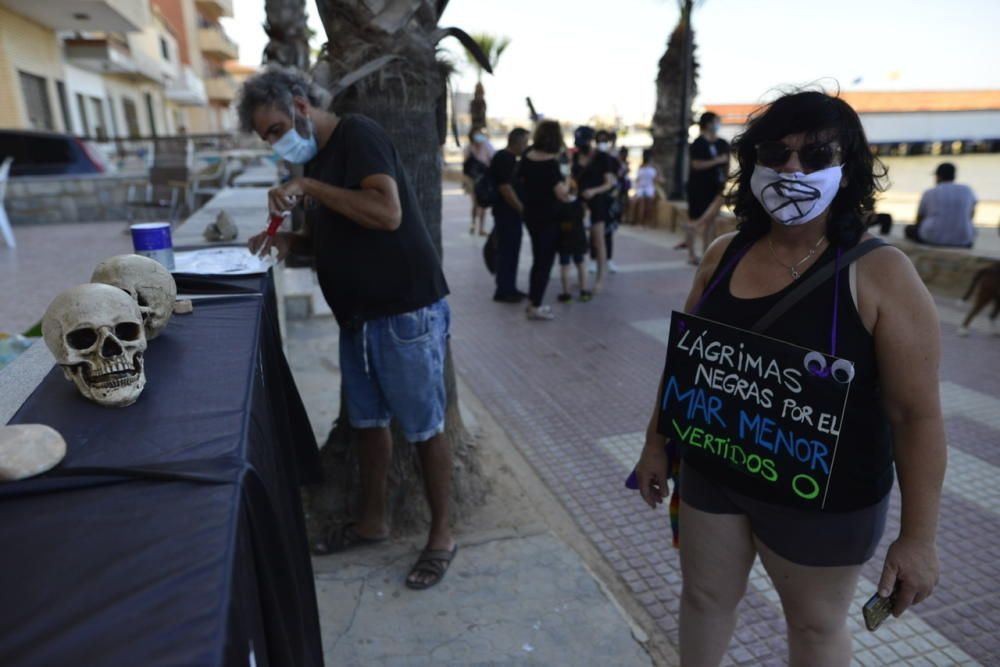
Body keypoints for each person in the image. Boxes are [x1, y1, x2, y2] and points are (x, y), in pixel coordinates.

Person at [634, 91, 944, 666]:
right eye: (776, 154)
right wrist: (656, 444)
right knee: (703, 597)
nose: (793, 169)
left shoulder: (882, 274)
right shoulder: (723, 253)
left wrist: (919, 538)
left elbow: (916, 416)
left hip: (824, 501)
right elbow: (688, 363)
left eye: (816, 155)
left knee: (815, 626)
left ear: (847, 169)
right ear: (752, 163)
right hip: (715, 468)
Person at [238, 65, 457, 590]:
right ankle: (372, 521)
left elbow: (386, 212)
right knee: (367, 424)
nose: (275, 144)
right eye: (266, 137)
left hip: (403, 310)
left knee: (424, 429)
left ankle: (443, 535)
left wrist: (308, 185)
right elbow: (333, 239)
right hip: (357, 317)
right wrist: (289, 244)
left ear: (299, 105)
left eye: (275, 130)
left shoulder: (358, 134)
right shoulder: (316, 158)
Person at [517, 120, 573, 320]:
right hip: (549, 217)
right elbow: (562, 193)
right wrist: (567, 179)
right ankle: (535, 305)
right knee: (544, 261)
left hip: (531, 215)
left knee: (537, 257)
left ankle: (534, 300)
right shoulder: (551, 164)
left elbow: (519, 182)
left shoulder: (526, 157)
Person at [572, 126, 618, 291]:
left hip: (598, 202)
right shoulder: (576, 156)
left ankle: (600, 279)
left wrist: (593, 191)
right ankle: (581, 277)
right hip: (580, 203)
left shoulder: (602, 157)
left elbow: (609, 183)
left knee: (598, 242)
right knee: (579, 242)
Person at [489, 128, 531, 303]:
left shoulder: (511, 159)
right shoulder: (504, 158)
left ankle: (510, 287)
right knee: (507, 251)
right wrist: (521, 208)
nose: (527, 145)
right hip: (506, 214)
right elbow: (505, 188)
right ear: (518, 142)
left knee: (512, 251)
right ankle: (504, 290)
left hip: (511, 214)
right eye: (525, 142)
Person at [685, 111, 730, 264]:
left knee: (711, 222)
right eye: (716, 121)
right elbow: (696, 164)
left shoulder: (722, 143)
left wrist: (724, 180)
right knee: (693, 218)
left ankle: (706, 254)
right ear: (709, 123)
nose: (719, 124)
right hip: (698, 187)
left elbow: (726, 164)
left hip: (715, 187)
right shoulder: (698, 143)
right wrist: (717, 161)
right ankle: (692, 255)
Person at [904, 162, 977, 247]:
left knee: (909, 229)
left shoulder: (930, 192)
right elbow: (971, 215)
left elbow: (920, 217)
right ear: (954, 176)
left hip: (932, 237)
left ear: (939, 176)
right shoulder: (967, 190)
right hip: (963, 239)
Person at [556, 198, 592, 303]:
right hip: (578, 238)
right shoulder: (579, 204)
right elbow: (584, 217)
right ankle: (584, 291)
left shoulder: (558, 204)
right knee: (580, 264)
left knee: (565, 266)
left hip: (564, 239)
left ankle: (566, 294)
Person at [463, 126, 495, 236]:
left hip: (478, 179)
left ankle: (477, 227)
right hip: (477, 179)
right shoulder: (475, 147)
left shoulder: (482, 146)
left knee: (478, 204)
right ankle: (476, 226)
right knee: (478, 204)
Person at [634, 149, 660, 226]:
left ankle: (645, 222)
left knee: (647, 205)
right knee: (643, 205)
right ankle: (642, 222)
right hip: (643, 188)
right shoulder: (643, 167)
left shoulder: (653, 167)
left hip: (648, 188)